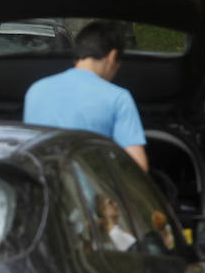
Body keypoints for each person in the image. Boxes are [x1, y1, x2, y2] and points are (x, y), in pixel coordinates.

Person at [23, 20, 148, 170]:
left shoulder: (36, 89)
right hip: (91, 191)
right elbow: (138, 166)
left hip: (42, 186)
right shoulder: (118, 97)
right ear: (112, 57)